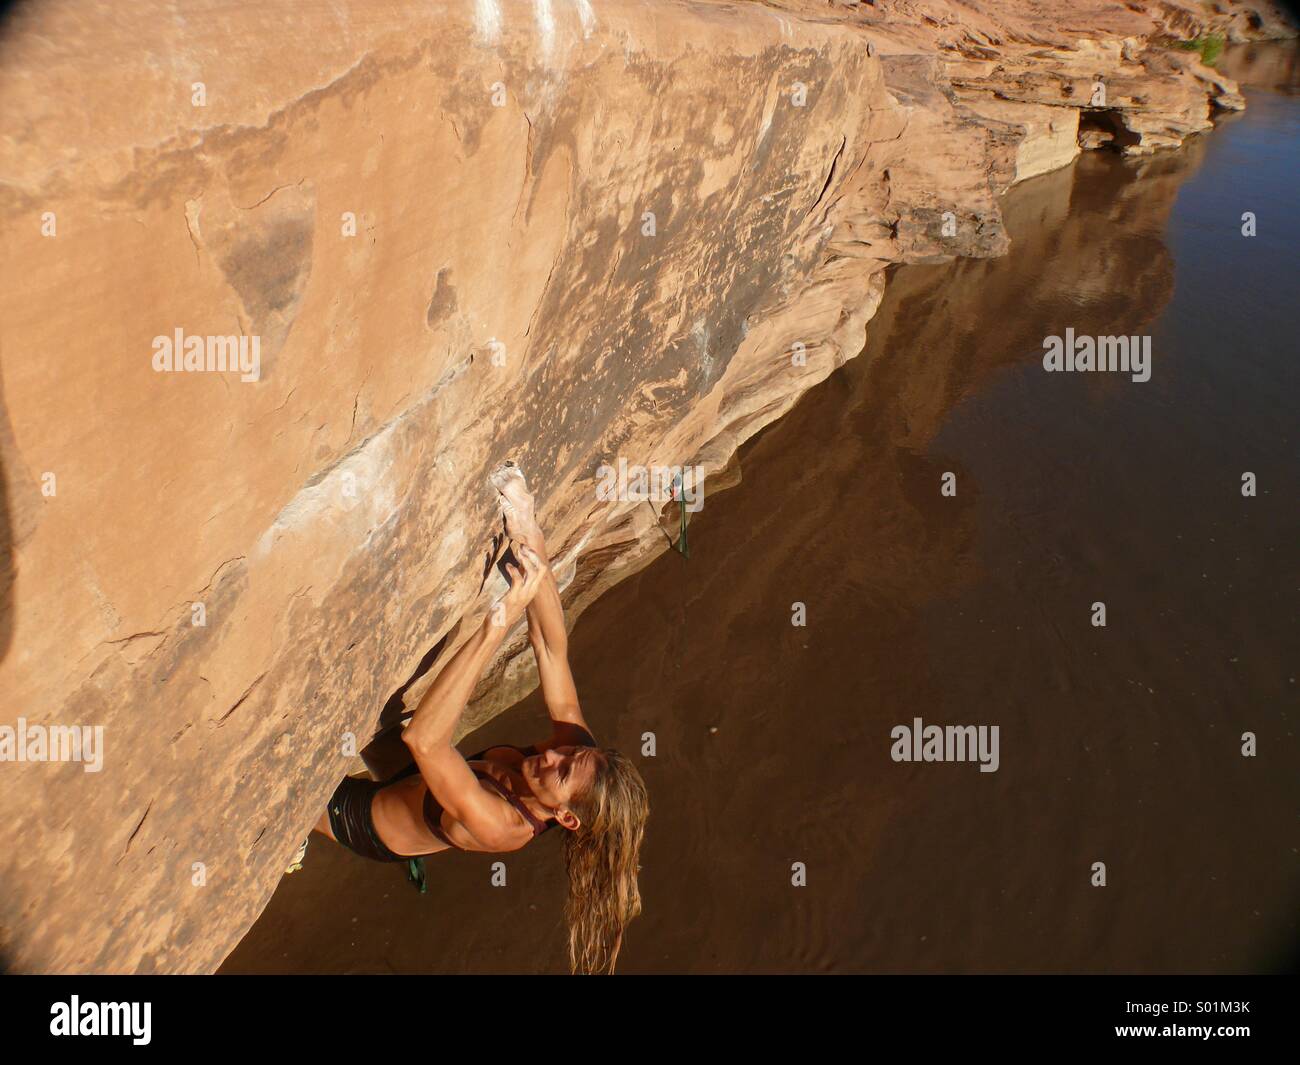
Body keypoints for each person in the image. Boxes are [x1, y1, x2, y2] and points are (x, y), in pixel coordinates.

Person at [312, 463, 649, 974]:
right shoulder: (576, 759)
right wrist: (530, 534)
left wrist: (500, 619)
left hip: (365, 821)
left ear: (565, 817)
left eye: (561, 769)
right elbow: (552, 650)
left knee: (270, 806)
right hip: (417, 777)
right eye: (573, 751)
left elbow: (424, 739)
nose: (552, 752)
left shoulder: (503, 826)